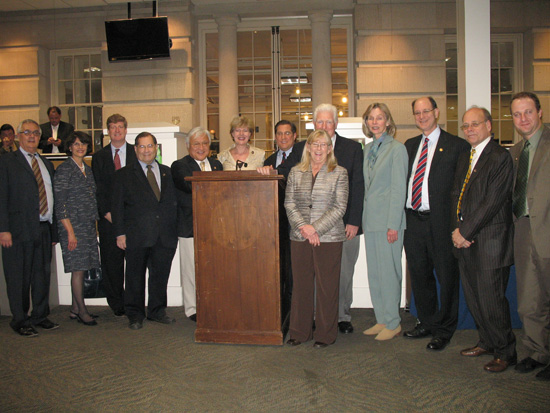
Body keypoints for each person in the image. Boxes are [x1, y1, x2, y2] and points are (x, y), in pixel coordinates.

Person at [269, 104, 364, 335]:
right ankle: (305, 325)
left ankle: (339, 319)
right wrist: (266, 169)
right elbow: (286, 188)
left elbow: (357, 187)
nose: (323, 127)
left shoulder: (351, 150)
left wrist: (353, 221)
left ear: (335, 124)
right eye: (319, 123)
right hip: (301, 233)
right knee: (303, 283)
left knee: (336, 280)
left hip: (336, 229)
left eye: (328, 122)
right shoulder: (300, 150)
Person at [452, 106, 516, 373]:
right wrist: (457, 232)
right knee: (476, 299)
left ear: (489, 125)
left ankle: (505, 351)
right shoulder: (468, 156)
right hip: (466, 242)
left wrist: (465, 233)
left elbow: (492, 203)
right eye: (465, 125)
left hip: (490, 243)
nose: (469, 130)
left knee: (492, 301)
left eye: (475, 124)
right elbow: (459, 197)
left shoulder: (500, 157)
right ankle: (487, 341)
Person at [402, 97, 470, 351]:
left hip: (442, 223)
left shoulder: (457, 146)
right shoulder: (409, 146)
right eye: (417, 113)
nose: (422, 116)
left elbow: (462, 190)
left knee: (447, 276)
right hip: (414, 221)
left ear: (437, 112)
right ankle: (427, 323)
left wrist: (458, 225)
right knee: (420, 276)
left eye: (426, 111)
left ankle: (445, 329)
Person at [284, 129, 348, 348]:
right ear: (308, 147)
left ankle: (325, 335)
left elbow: (339, 207)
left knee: (326, 287)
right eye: (315, 144)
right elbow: (289, 203)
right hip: (299, 236)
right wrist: (304, 227)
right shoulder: (295, 172)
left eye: (324, 145)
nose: (319, 149)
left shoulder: (339, 172)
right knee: (301, 286)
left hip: (328, 238)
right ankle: (299, 332)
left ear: (330, 149)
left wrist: (315, 229)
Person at [111, 132, 178, 330]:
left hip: (164, 235)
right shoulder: (123, 175)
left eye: (150, 146)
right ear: (135, 149)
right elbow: (117, 207)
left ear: (156, 148)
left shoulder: (167, 172)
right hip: (136, 235)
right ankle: (134, 314)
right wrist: (119, 233)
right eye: (142, 146)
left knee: (160, 276)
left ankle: (157, 311)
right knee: (134, 277)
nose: (146, 150)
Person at [0, 119, 59, 337]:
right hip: (17, 230)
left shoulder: (45, 163)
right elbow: (1, 197)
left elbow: (50, 197)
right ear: (18, 136)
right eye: (27, 132)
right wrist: (3, 229)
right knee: (19, 278)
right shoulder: (6, 162)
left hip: (43, 227)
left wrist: (53, 231)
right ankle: (20, 320)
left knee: (42, 275)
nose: (32, 136)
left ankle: (40, 315)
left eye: (35, 133)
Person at [509, 92, 550, 380]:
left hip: (548, 228)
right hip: (523, 230)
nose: (522, 119)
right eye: (516, 114)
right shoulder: (515, 151)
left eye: (528, 112)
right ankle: (538, 352)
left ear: (540, 113)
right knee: (529, 300)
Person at [362, 103, 408, 341]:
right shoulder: (367, 149)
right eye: (371, 118)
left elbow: (399, 189)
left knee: (390, 273)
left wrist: (393, 223)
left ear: (388, 121)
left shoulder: (397, 149)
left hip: (389, 222)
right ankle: (382, 318)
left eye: (380, 118)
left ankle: (393, 321)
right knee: (376, 273)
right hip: (371, 221)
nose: (375, 122)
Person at [171, 127, 222, 322]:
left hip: (215, 227)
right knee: (191, 270)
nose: (201, 147)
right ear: (188, 146)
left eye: (204, 143)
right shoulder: (179, 166)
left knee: (213, 268)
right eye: (196, 144)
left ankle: (212, 303)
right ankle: (193, 309)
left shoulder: (217, 165)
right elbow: (189, 186)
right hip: (189, 226)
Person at [92, 114, 137, 317]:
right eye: (112, 127)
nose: (117, 131)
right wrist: (108, 213)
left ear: (126, 130)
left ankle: (133, 302)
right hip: (109, 220)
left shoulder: (136, 152)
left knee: (135, 263)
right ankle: (117, 304)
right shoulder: (99, 157)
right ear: (107, 131)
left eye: (120, 127)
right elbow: (98, 189)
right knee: (112, 264)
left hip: (133, 220)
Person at [54, 131, 100, 326]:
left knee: (83, 266)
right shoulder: (64, 170)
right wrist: (70, 232)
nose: (80, 147)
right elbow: (60, 204)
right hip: (72, 227)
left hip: (87, 226)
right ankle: (82, 310)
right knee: (78, 269)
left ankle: (74, 308)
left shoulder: (87, 169)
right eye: (76, 144)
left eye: (84, 144)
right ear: (69, 147)